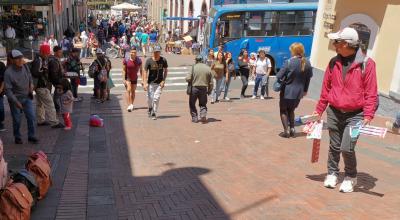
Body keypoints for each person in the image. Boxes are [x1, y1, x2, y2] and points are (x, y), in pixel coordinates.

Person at [313, 27, 378, 193]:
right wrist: (319, 109)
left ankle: (350, 176)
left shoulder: (367, 64)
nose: (334, 45)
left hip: (356, 115)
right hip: (334, 111)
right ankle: (332, 173)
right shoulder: (333, 62)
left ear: (348, 44)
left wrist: (369, 114)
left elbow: (371, 92)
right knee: (334, 146)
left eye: (337, 42)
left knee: (347, 147)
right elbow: (326, 88)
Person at [276, 43, 313, 138]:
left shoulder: (289, 62)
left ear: (294, 51)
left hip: (287, 91)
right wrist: (305, 90)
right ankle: (292, 129)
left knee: (283, 111)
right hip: (299, 92)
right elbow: (308, 78)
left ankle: (286, 131)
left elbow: (279, 76)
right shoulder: (307, 63)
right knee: (291, 110)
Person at [4, 50, 39, 144]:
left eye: (21, 57)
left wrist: (31, 84)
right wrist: (16, 102)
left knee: (31, 117)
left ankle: (31, 136)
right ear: (11, 60)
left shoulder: (25, 66)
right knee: (17, 119)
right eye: (17, 58)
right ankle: (17, 136)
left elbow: (29, 76)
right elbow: (8, 91)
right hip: (15, 99)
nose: (20, 60)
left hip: (27, 97)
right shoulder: (8, 73)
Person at [31, 44, 64, 129]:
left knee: (40, 104)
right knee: (49, 103)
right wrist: (43, 71)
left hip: (39, 85)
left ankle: (40, 120)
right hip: (41, 85)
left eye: (48, 53)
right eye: (46, 53)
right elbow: (35, 73)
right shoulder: (39, 60)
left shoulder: (41, 59)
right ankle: (54, 122)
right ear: (42, 52)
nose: (47, 55)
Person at [143, 45, 168, 120]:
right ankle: (150, 108)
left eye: (158, 52)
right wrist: (144, 82)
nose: (157, 53)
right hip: (150, 83)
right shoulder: (149, 61)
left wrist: (163, 80)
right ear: (153, 52)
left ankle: (154, 112)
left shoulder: (163, 60)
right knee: (150, 98)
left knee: (156, 98)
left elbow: (165, 70)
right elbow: (145, 71)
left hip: (159, 83)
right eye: (155, 52)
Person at [186, 55, 214, 123]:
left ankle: (195, 118)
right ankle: (203, 114)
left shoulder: (193, 67)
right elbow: (211, 82)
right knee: (203, 103)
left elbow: (188, 78)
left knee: (192, 104)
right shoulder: (208, 68)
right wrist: (209, 90)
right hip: (204, 88)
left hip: (194, 88)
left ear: (196, 60)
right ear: (202, 60)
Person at [123, 48, 143, 112]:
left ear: (136, 53)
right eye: (132, 52)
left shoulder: (139, 60)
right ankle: (129, 105)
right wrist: (123, 79)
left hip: (134, 77)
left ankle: (131, 104)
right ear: (130, 53)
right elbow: (123, 70)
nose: (133, 53)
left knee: (133, 91)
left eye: (134, 52)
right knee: (128, 90)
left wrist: (142, 79)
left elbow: (141, 70)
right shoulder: (126, 60)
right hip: (128, 77)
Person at [0, 61, 6, 132]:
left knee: (1, 108)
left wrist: (1, 89)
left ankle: (0, 122)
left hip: (0, 90)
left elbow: (4, 79)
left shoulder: (1, 65)